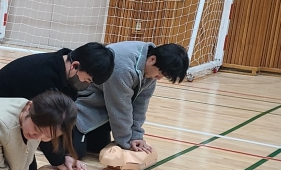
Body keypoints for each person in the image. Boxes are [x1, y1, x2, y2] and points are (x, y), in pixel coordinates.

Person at [0, 42, 115, 170]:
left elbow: (63, 119)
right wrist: (59, 161)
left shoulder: (68, 78)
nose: (87, 85)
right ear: (75, 66)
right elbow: (43, 123)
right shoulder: (40, 75)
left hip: (18, 117)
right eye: (88, 80)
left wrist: (68, 155)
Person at [55, 42, 189, 163]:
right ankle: (49, 133)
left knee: (98, 147)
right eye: (160, 74)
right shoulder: (123, 66)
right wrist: (126, 142)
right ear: (152, 59)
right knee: (76, 152)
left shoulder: (149, 70)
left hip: (100, 106)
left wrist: (136, 136)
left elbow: (140, 105)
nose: (158, 79)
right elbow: (119, 107)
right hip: (79, 102)